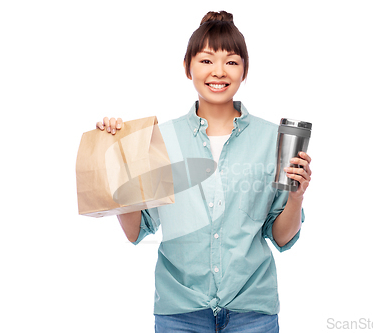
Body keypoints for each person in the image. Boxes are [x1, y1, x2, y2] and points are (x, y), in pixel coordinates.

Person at [96, 11, 312, 333]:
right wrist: (117, 154)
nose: (219, 72)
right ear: (188, 68)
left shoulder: (274, 139)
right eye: (207, 60)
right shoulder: (160, 139)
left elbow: (280, 236)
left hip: (252, 311)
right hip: (180, 312)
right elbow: (136, 230)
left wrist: (295, 198)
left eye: (232, 62)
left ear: (244, 70)